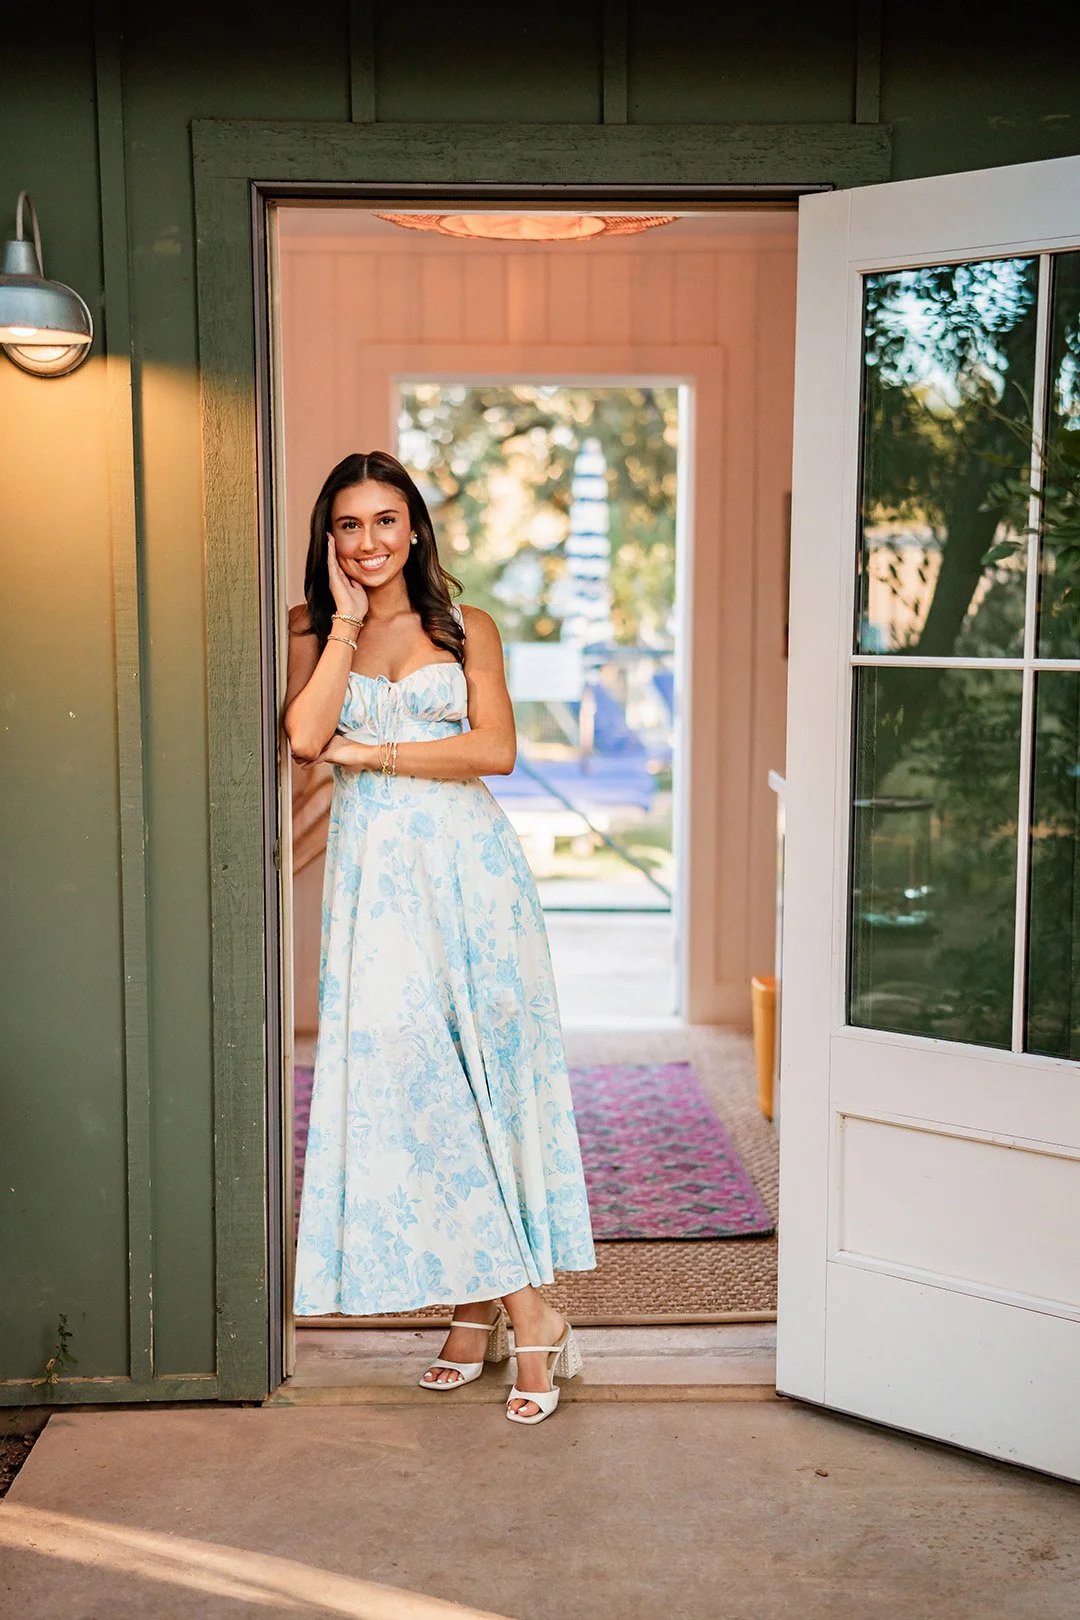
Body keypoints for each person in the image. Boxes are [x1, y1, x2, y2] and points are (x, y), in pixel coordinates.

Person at [284, 450, 597, 1424]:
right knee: (420, 1087)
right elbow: (305, 737)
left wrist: (375, 751)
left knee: (477, 1086)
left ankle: (490, 1312)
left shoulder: (467, 627)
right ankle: (523, 1310)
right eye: (349, 524)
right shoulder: (317, 632)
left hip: (471, 879)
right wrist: (342, 626)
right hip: (376, 891)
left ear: (413, 527)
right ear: (329, 540)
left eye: (385, 520)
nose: (368, 541)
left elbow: (494, 750)